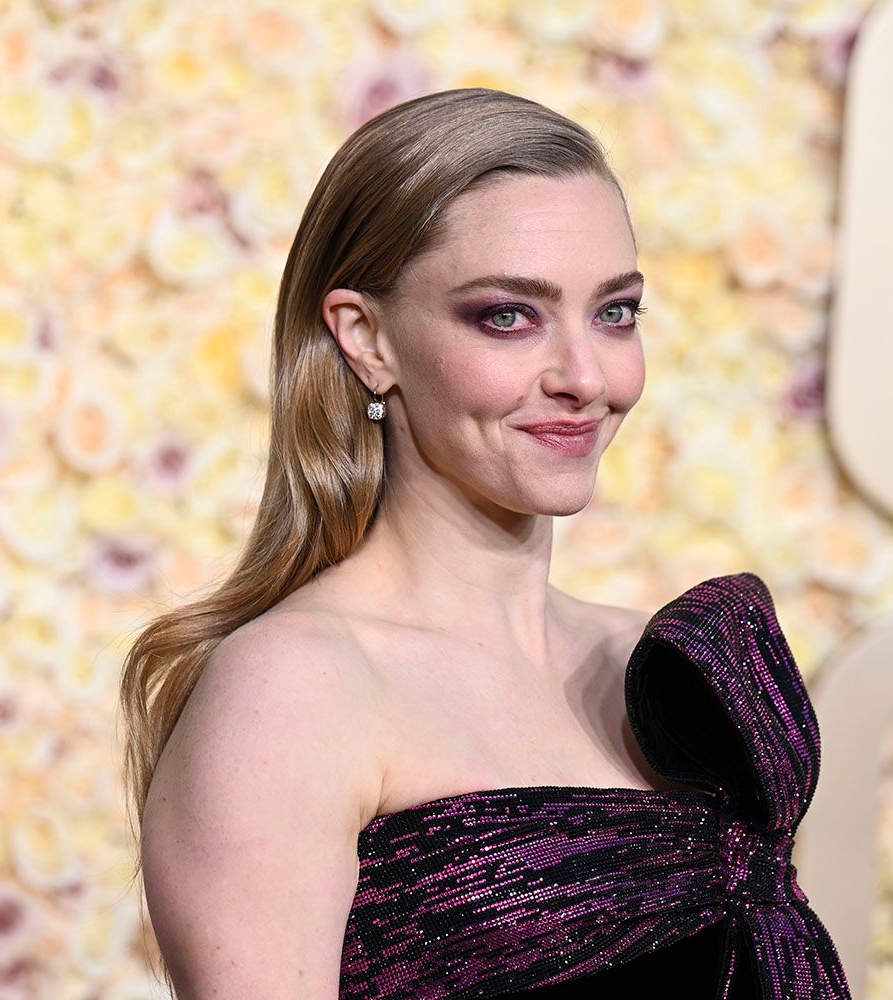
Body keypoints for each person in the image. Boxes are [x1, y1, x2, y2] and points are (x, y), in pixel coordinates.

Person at [119, 87, 852, 999]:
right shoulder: (295, 690)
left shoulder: (659, 668)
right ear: (367, 338)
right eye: (509, 315)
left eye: (615, 313)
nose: (586, 378)